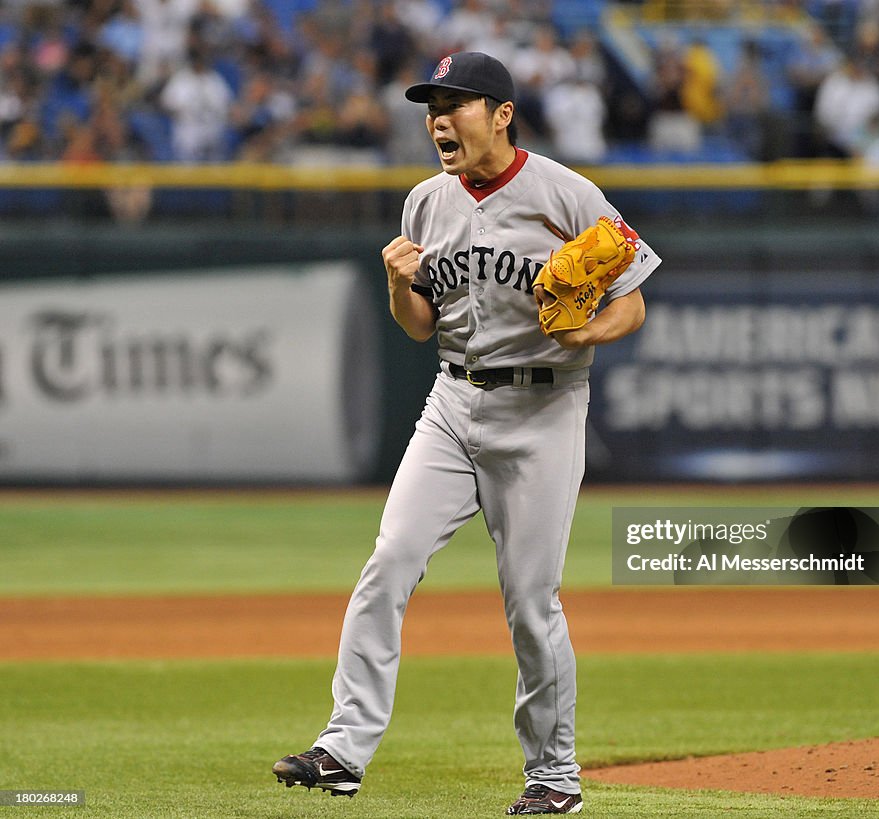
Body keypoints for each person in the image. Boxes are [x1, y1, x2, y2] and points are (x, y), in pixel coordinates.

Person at [271, 50, 660, 815]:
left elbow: (633, 302)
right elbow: (420, 326)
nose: (438, 120)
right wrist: (395, 284)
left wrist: (589, 334)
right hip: (451, 402)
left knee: (529, 599)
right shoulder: (425, 202)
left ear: (502, 115)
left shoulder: (566, 194)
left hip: (544, 411)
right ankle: (344, 748)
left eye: (456, 104)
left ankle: (554, 777)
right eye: (431, 107)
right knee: (389, 561)